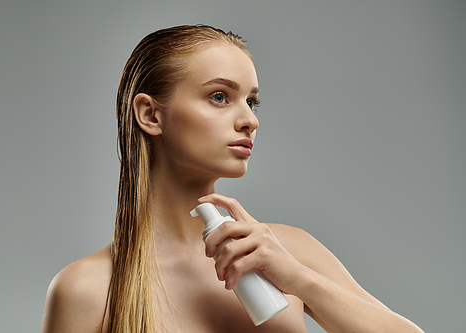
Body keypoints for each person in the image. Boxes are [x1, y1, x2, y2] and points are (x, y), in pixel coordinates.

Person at [41, 25, 424, 333]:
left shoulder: (286, 252)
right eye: (220, 97)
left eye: (252, 101)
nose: (250, 120)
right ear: (150, 115)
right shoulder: (86, 289)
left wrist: (301, 281)